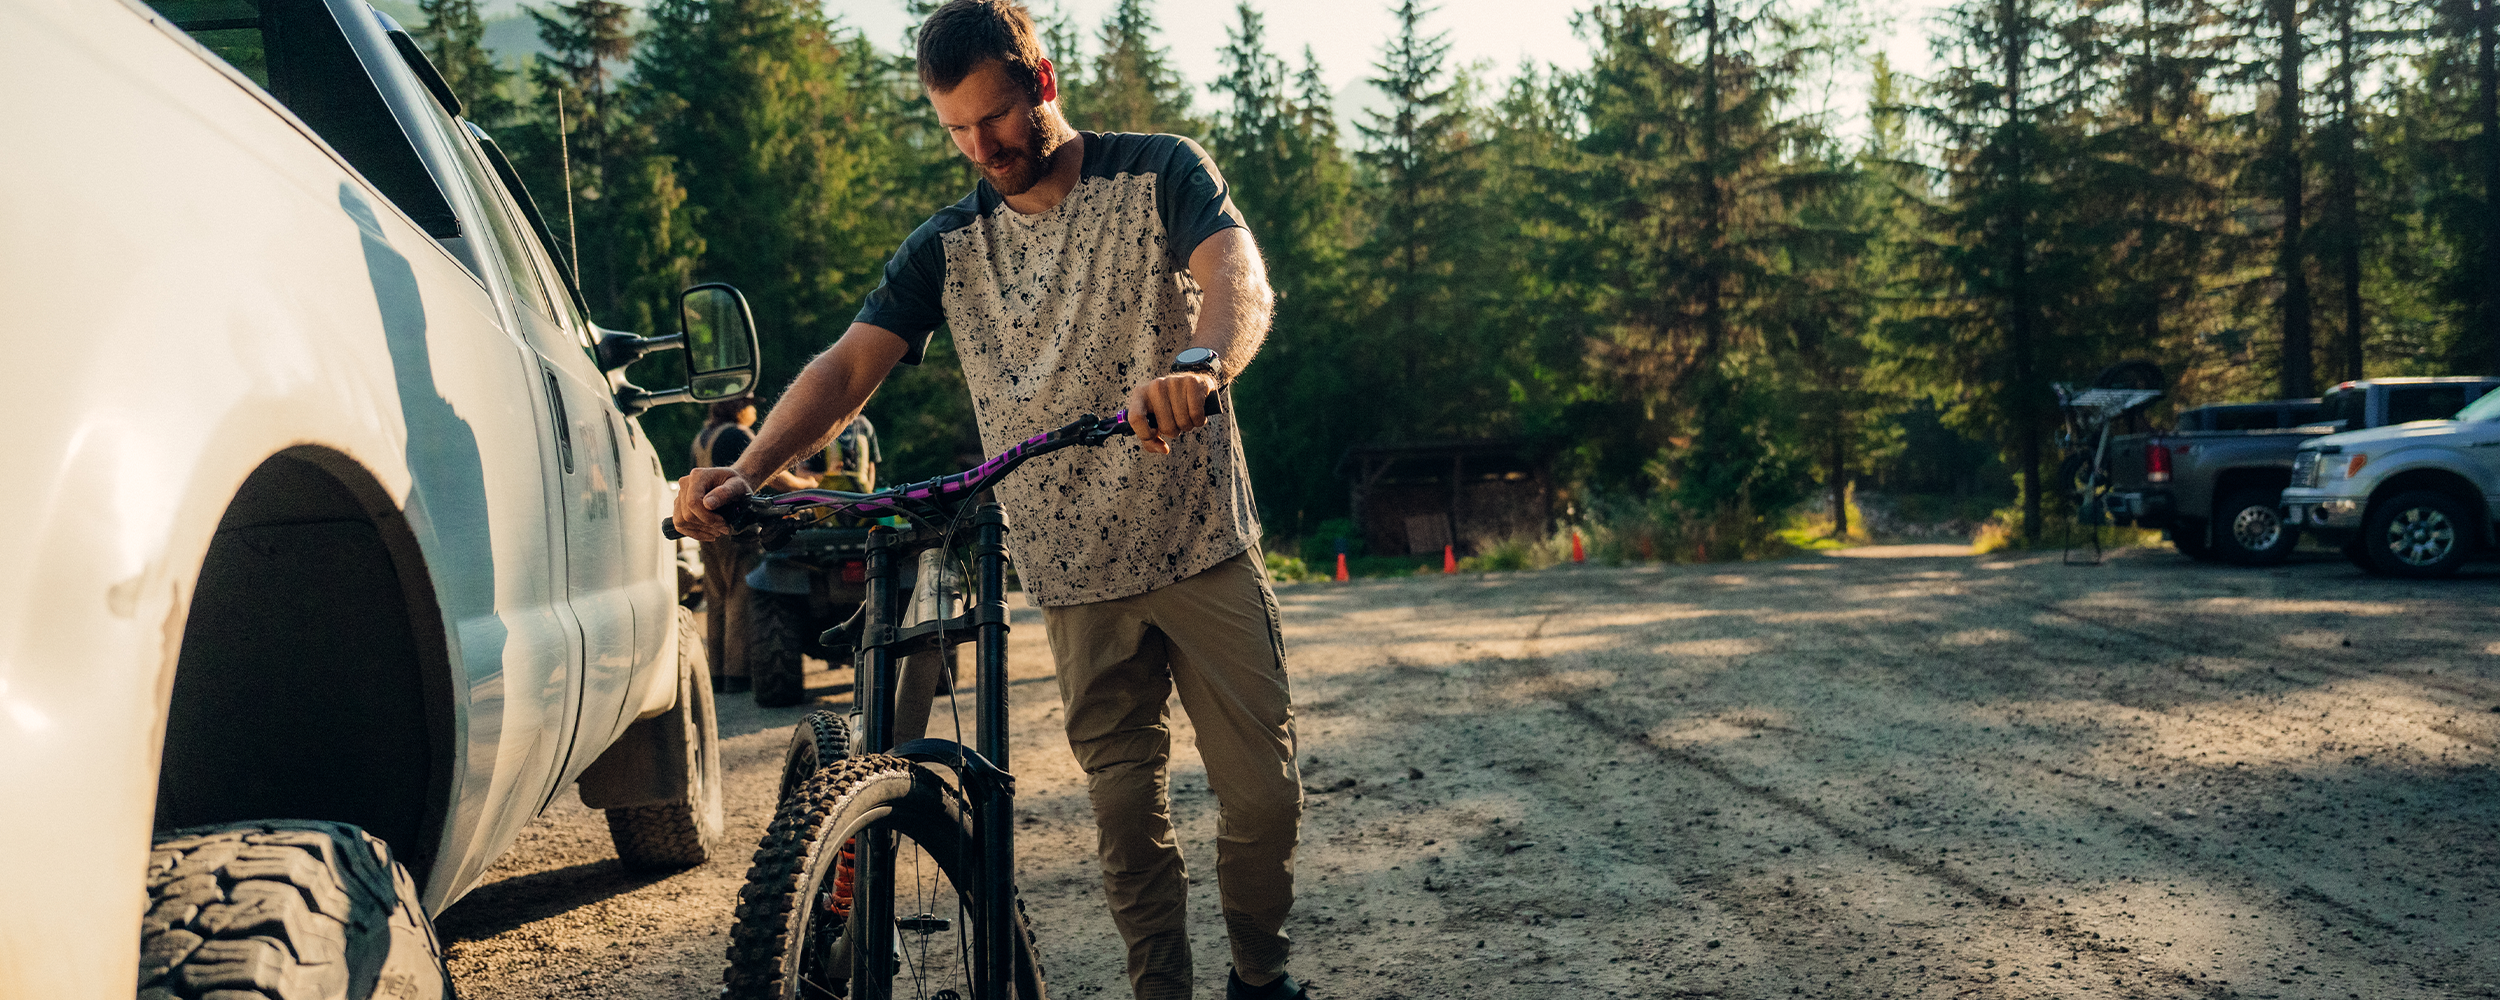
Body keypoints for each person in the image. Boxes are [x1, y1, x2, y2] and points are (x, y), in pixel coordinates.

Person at [669, 3, 1303, 996]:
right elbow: (846, 369)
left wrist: (1198, 362)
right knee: (1126, 825)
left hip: (1200, 546)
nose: (981, 146)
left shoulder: (1158, 171)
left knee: (1263, 801)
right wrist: (747, 468)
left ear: (1040, 81)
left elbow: (1237, 271)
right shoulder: (949, 245)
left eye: (996, 117)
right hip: (1074, 573)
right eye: (956, 129)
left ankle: (1261, 977)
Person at [689, 396, 815, 693]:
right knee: (741, 594)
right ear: (739, 409)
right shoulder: (737, 434)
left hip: (708, 528)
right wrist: (806, 487)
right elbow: (769, 472)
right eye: (751, 406)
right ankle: (739, 675)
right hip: (737, 527)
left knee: (717, 597)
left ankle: (718, 675)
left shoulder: (702, 437)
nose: (755, 411)